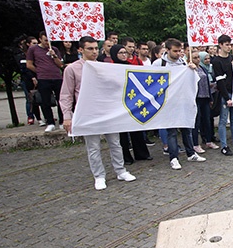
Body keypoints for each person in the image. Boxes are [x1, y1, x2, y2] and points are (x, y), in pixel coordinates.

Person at [60, 36, 136, 190]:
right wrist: (67, 117)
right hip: (88, 113)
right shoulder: (72, 69)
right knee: (93, 146)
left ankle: (120, 170)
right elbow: (66, 94)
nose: (94, 51)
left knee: (115, 143)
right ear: (81, 50)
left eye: (96, 48)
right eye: (90, 48)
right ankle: (99, 175)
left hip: (107, 110)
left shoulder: (104, 66)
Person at [152, 38, 206, 170]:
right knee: (172, 132)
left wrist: (192, 70)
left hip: (183, 101)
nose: (178, 54)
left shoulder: (183, 62)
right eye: (175, 51)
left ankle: (190, 153)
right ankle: (174, 157)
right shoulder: (159, 64)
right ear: (167, 50)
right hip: (169, 103)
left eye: (179, 51)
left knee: (186, 129)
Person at [108, 44, 153, 164]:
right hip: (118, 102)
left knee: (136, 128)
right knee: (122, 132)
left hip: (132, 101)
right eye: (120, 53)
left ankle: (141, 153)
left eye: (125, 53)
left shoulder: (130, 66)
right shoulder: (110, 68)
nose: (123, 55)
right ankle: (126, 157)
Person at [26, 31, 64, 132]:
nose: (48, 43)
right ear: (40, 39)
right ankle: (50, 122)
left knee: (61, 100)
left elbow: (60, 64)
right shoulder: (33, 49)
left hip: (57, 77)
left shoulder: (54, 49)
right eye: (46, 40)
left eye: (49, 41)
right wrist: (39, 72)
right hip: (43, 78)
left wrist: (54, 56)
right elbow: (29, 64)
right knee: (45, 101)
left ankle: (62, 121)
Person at [191, 51, 219, 152]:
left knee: (207, 120)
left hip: (205, 97)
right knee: (197, 121)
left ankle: (208, 140)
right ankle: (195, 143)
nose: (197, 59)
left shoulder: (202, 68)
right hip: (196, 98)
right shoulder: (190, 69)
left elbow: (206, 82)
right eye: (195, 58)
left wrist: (210, 98)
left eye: (198, 57)